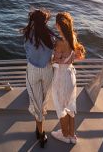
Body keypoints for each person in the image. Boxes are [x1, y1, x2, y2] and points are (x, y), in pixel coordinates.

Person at [21, 9, 56, 148]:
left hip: (33, 70)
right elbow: (53, 54)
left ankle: (41, 133)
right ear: (45, 21)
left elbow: (27, 51)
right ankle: (39, 128)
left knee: (36, 102)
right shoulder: (50, 36)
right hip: (47, 70)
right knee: (44, 100)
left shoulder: (27, 34)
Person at [51, 12, 85, 144]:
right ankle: (72, 135)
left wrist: (51, 59)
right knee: (71, 105)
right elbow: (75, 57)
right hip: (71, 75)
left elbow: (55, 60)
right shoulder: (73, 38)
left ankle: (65, 135)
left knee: (60, 106)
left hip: (61, 77)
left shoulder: (59, 43)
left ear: (58, 25)